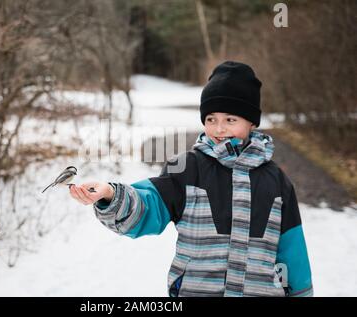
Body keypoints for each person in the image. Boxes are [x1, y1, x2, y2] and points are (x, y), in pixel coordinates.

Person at [69, 61, 313, 297]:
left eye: (230, 119)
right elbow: (149, 205)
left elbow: (292, 255)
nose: (219, 128)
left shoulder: (277, 182)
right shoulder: (187, 168)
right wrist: (112, 195)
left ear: (251, 122)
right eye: (211, 119)